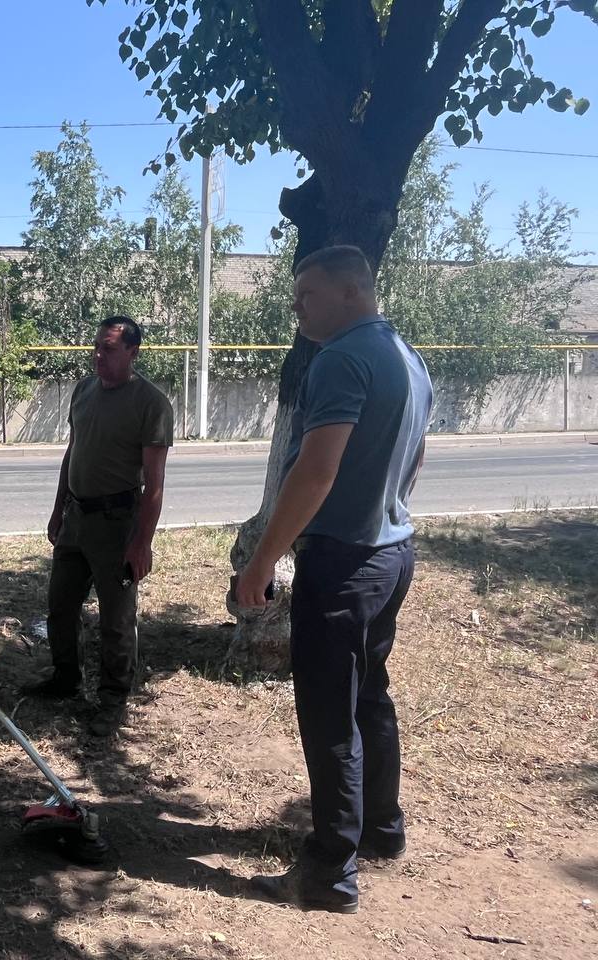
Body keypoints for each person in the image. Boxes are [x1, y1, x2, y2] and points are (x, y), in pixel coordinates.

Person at [237, 245, 433, 914]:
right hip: (391, 550)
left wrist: (263, 560)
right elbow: (416, 455)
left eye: (306, 295)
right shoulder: (408, 357)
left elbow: (315, 471)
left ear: (352, 291)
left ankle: (328, 876)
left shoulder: (342, 357)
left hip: (345, 562)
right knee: (370, 697)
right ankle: (381, 831)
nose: (296, 309)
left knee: (328, 718)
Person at [23, 315, 175, 737]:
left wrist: (142, 543)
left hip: (117, 522)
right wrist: (58, 508)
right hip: (76, 517)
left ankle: (112, 699)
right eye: (96, 346)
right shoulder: (84, 390)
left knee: (116, 618)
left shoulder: (151, 403)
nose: (98, 356)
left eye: (108, 349)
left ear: (132, 352)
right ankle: (66, 679)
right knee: (61, 606)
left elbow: (156, 484)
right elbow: (73, 453)